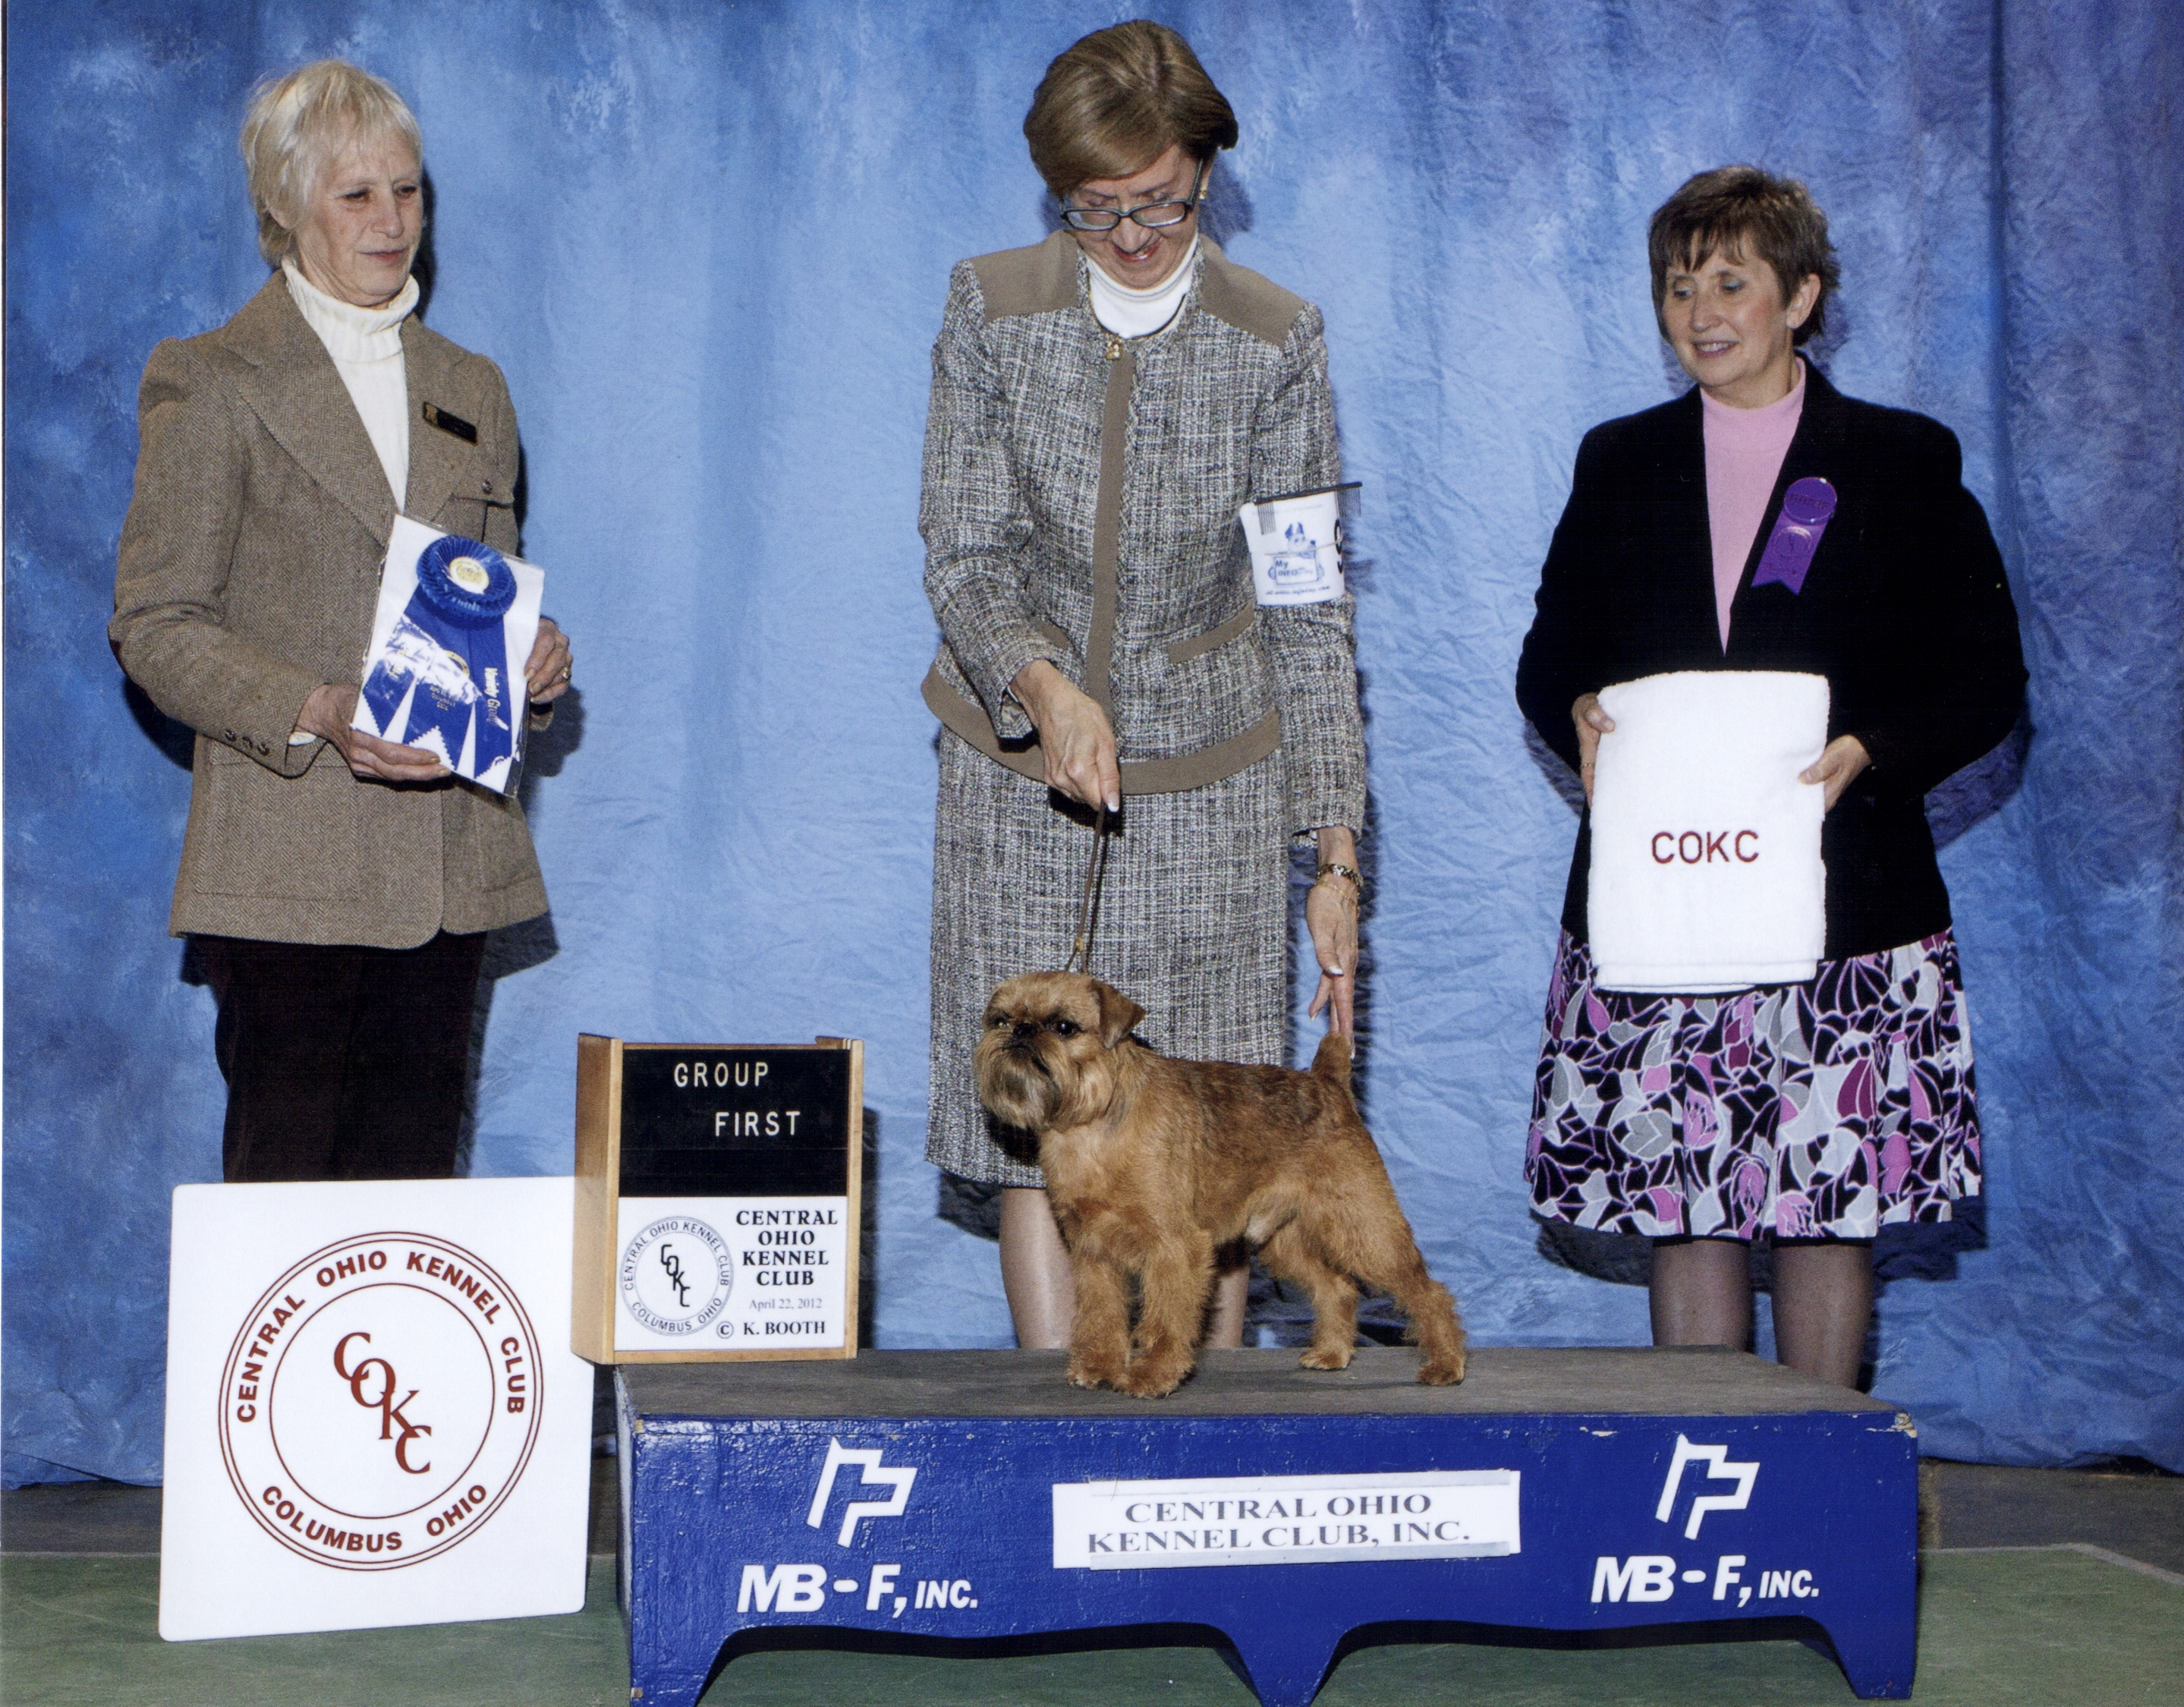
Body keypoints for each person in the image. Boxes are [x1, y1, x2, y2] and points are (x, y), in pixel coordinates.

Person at [1515, 165, 2025, 1387]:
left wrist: (1871, 752)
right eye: (1678, 286)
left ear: (1800, 297)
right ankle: (1701, 1491)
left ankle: (1817, 1486)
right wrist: (1573, 708)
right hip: (1662, 905)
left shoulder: (1900, 459)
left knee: (1821, 1200)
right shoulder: (1617, 461)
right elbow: (1548, 656)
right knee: (1684, 1203)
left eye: (1732, 283)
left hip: (1840, 911)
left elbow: (1984, 678)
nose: (1700, 312)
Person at [920, 21, 1367, 1349]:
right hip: (1018, 787)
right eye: (1093, 209)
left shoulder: (1276, 338)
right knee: (1034, 1127)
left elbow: (1306, 607)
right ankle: (1065, 1431)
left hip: (1214, 796)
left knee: (1205, 1143)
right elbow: (963, 543)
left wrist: (1332, 853)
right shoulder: (989, 306)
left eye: (1159, 204)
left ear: (1209, 174)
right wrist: (1042, 686)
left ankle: (1207, 1452)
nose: (1126, 236)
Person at [110, 60, 573, 1183]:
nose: (393, 221)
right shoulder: (211, 379)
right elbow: (155, 623)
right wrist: (315, 705)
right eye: (356, 194)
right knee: (286, 1214)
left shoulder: (475, 385)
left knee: (414, 1213)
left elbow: (480, 587)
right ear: (282, 203)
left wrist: (533, 664)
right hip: (287, 866)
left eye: (408, 192)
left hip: (446, 871)